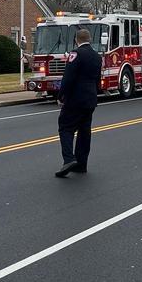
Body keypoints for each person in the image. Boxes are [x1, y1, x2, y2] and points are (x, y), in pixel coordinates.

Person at [55, 28, 102, 177]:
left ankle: (69, 159)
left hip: (75, 99)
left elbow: (68, 77)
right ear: (90, 40)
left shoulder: (75, 54)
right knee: (84, 131)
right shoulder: (96, 56)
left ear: (76, 40)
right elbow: (97, 80)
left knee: (65, 128)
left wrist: (61, 95)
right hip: (90, 99)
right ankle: (81, 164)